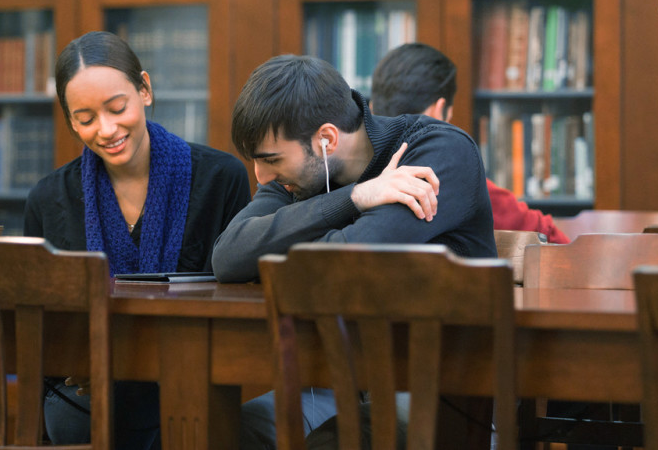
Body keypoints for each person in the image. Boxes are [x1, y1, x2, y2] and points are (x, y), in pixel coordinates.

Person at [211, 53, 497, 448]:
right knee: (224, 431)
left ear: (326, 140)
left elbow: (346, 263)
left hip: (442, 389)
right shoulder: (300, 175)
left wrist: (283, 242)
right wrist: (358, 197)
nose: (261, 178)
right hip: (338, 379)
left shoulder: (437, 153)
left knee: (334, 441)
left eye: (271, 160)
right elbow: (228, 255)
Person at [23, 31, 251, 450]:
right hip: (82, 397)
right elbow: (40, 322)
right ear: (70, 121)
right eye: (86, 118)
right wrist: (80, 357)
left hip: (189, 384)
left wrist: (127, 360)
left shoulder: (220, 179)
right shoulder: (48, 198)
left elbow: (238, 307)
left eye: (117, 108)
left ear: (144, 89)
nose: (107, 130)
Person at [370, 42, 570, 244]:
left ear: (371, 107)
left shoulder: (352, 183)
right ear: (439, 112)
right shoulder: (458, 181)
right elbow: (551, 239)